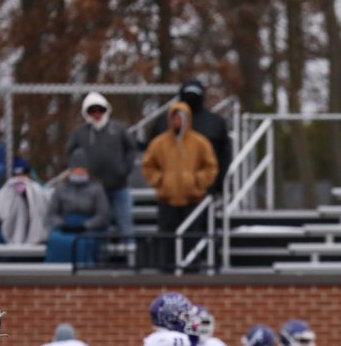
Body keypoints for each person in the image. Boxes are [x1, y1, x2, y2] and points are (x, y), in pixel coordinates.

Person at [141, 101, 217, 269]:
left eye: (181, 118)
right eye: (175, 118)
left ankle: (192, 266)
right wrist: (160, 180)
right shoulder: (159, 143)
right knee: (167, 236)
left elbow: (211, 166)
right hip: (167, 198)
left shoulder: (199, 142)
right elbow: (148, 165)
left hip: (192, 198)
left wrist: (198, 180)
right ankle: (167, 267)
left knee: (192, 235)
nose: (178, 122)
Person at [66, 92, 138, 244]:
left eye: (100, 110)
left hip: (120, 186)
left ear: (106, 109)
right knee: (99, 228)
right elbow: (70, 152)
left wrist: (124, 169)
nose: (97, 114)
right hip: (95, 190)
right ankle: (100, 263)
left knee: (125, 226)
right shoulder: (80, 133)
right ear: (86, 112)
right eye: (92, 111)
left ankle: (131, 262)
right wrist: (81, 171)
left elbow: (131, 148)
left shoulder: (118, 129)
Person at [149, 80, 232, 195]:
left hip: (202, 190)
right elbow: (151, 156)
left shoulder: (215, 122)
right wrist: (160, 180)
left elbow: (224, 155)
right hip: (170, 192)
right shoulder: (164, 123)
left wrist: (216, 183)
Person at [44, 149, 110, 266]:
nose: (79, 173)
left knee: (84, 243)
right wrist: (62, 224)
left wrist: (86, 225)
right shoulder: (61, 189)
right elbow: (51, 214)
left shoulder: (96, 189)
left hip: (88, 229)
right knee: (56, 240)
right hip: (64, 227)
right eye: (76, 170)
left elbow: (102, 215)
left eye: (82, 170)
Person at [0, 157, 51, 246]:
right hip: (12, 244)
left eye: (23, 175)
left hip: (32, 245)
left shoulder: (37, 190)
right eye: (17, 175)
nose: (20, 179)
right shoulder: (5, 191)